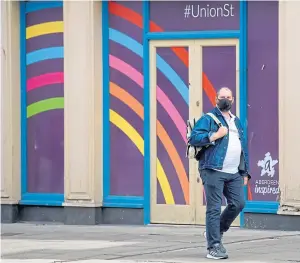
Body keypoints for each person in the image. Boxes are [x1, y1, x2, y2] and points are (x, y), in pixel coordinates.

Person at [189, 87, 250, 260]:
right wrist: (214, 135)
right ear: (216, 99)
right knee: (214, 208)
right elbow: (193, 137)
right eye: (222, 97)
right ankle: (214, 246)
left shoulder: (236, 121)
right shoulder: (209, 119)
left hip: (233, 172)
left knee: (238, 204)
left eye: (228, 97)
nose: (225, 100)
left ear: (233, 100)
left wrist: (245, 171)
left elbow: (243, 148)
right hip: (213, 170)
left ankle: (214, 231)